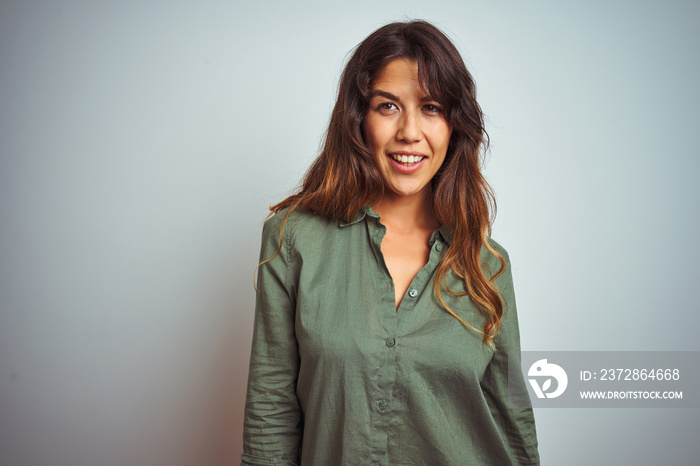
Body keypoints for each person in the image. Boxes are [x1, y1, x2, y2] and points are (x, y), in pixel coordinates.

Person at [241, 20, 540, 466]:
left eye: (432, 108)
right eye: (388, 106)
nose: (410, 132)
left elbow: (512, 412)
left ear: (455, 126)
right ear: (358, 118)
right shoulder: (293, 239)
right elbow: (271, 410)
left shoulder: (488, 266)